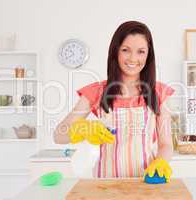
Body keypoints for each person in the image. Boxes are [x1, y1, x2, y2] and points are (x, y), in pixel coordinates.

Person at [54, 21, 174, 182]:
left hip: (146, 183)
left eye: (141, 52)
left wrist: (161, 162)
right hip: (106, 184)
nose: (133, 58)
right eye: (126, 50)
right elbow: (58, 136)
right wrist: (82, 130)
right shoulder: (97, 92)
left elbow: (166, 144)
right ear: (115, 51)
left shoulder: (160, 93)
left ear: (148, 55)